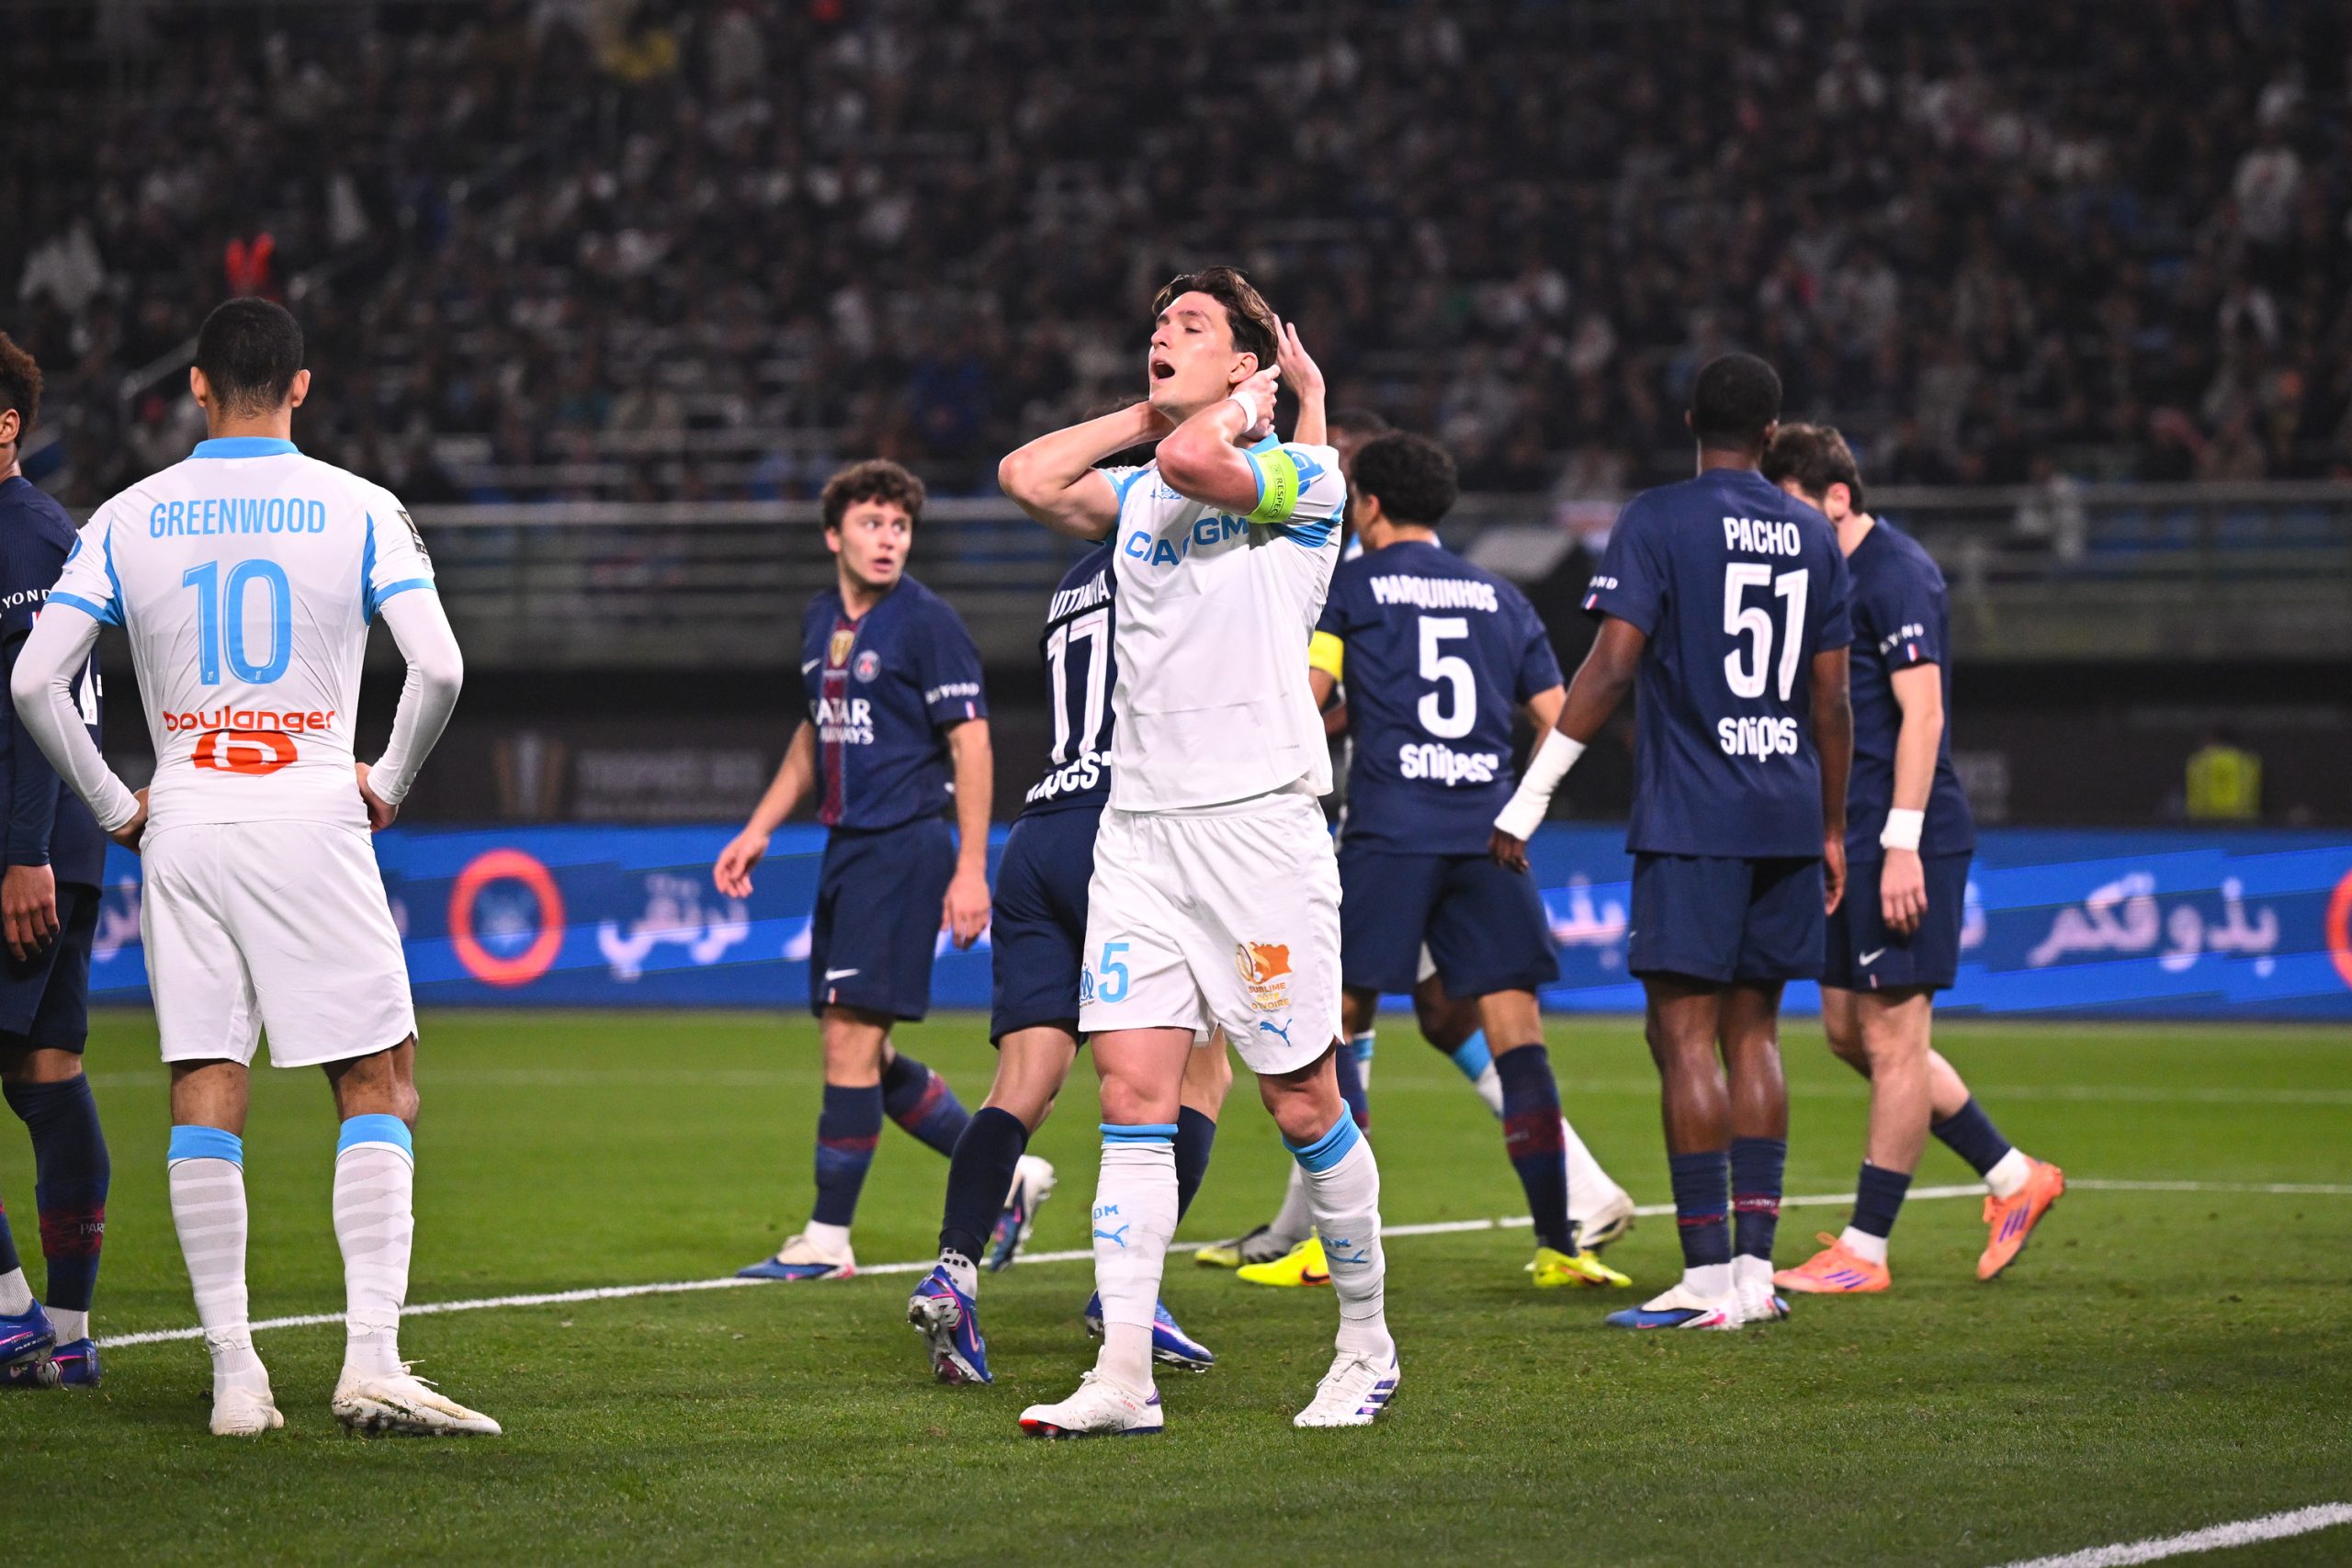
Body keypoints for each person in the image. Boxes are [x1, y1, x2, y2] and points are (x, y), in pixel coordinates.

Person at [10, 298, 483, 1435]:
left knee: (205, 1081)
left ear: (196, 386)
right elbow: (439, 669)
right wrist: (387, 780)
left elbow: (32, 682)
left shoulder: (126, 516)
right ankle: (371, 1359)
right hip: (310, 804)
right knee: (378, 1079)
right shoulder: (360, 507)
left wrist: (116, 806)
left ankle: (236, 1377)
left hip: (186, 816)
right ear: (302, 386)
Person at [998, 267, 1396, 1433]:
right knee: (1131, 1092)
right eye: (1156, 326)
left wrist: (1247, 409)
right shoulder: (1141, 485)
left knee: (1302, 1099)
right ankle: (1122, 1376)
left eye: (1189, 326)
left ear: (1247, 363)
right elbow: (1028, 475)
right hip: (1139, 834)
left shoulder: (1306, 479)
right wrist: (1153, 405)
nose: (1160, 336)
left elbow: (1191, 462)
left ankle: (1366, 1346)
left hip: (1258, 830)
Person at [1202, 412, 1636, 1282]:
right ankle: (1560, 1246)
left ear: (1365, 503)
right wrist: (1522, 806)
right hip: (1486, 835)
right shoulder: (1501, 597)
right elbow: (1559, 719)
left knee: (1334, 1025)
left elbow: (1308, 695)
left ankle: (1331, 1242)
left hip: (1390, 832)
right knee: (1518, 1036)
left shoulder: (1353, 589)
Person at [1491, 353, 1853, 1331]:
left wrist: (1532, 796)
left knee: (1682, 1035)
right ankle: (1755, 1275)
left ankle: (1704, 1276)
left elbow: (1611, 667)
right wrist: (1830, 826)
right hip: (1785, 809)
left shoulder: (1656, 518)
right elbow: (1831, 699)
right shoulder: (1815, 534)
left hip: (1696, 814)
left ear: (1691, 420)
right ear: (1772, 434)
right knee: (1754, 1034)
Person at [907, 538, 1223, 1384]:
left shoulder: (1076, 577)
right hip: (1128, 831)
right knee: (1198, 1071)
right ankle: (1129, 1296)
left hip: (1041, 830)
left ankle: (955, 1270)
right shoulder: (1182, 551)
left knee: (1023, 1085)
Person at [1760, 425, 2064, 1292]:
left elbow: (1923, 715)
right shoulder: (1823, 574)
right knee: (1847, 1033)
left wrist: (1901, 842)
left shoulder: (1896, 571)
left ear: (1837, 498)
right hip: (1846, 833)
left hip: (1904, 836)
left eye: (1791, 505)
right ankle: (2014, 1174)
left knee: (1894, 1038)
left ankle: (1865, 1249)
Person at [715, 460, 993, 1281]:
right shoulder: (819, 620)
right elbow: (815, 734)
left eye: (900, 526)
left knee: (848, 1038)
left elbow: (972, 742)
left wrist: (971, 867)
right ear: (834, 535)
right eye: (872, 523)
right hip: (848, 846)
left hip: (905, 846)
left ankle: (828, 1237)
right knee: (863, 1049)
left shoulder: (928, 622)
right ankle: (1006, 1173)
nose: (889, 539)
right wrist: (760, 827)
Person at [0, 334, 111, 1388]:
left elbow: (35, 707)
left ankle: (10, 1321)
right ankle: (67, 1338)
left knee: (46, 1075)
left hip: (27, 846)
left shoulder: (27, 537)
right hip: (46, 843)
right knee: (44, 1074)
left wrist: (24, 853)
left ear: (7, 426)